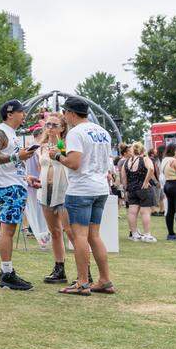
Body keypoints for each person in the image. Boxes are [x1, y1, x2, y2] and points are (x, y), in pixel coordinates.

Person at [50, 96, 115, 295]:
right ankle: (105, 280)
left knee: (79, 236)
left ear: (71, 113)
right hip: (100, 187)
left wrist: (57, 156)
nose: (64, 116)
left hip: (81, 189)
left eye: (65, 113)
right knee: (94, 236)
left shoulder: (76, 133)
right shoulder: (103, 132)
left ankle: (83, 282)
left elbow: (74, 163)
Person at [0, 99, 37, 290]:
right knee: (7, 230)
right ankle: (6, 273)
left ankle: (6, 271)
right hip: (7, 187)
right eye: (21, 111)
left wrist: (26, 177)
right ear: (10, 114)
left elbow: (11, 163)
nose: (24, 115)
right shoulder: (0, 132)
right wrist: (17, 156)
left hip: (14, 184)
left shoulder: (10, 133)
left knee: (9, 229)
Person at [36, 114, 71, 282]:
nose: (50, 127)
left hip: (63, 192)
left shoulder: (65, 145)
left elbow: (70, 163)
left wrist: (59, 149)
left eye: (54, 125)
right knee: (55, 232)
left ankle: (85, 271)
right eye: (48, 124)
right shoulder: (42, 146)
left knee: (70, 232)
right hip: (45, 192)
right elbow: (41, 168)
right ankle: (59, 268)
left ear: (62, 128)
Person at [123, 142, 158, 243]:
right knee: (145, 212)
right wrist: (146, 182)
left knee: (132, 212)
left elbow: (124, 177)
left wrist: (126, 189)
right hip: (143, 189)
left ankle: (134, 234)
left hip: (131, 189)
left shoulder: (126, 162)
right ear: (142, 150)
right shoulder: (145, 159)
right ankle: (147, 235)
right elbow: (151, 169)